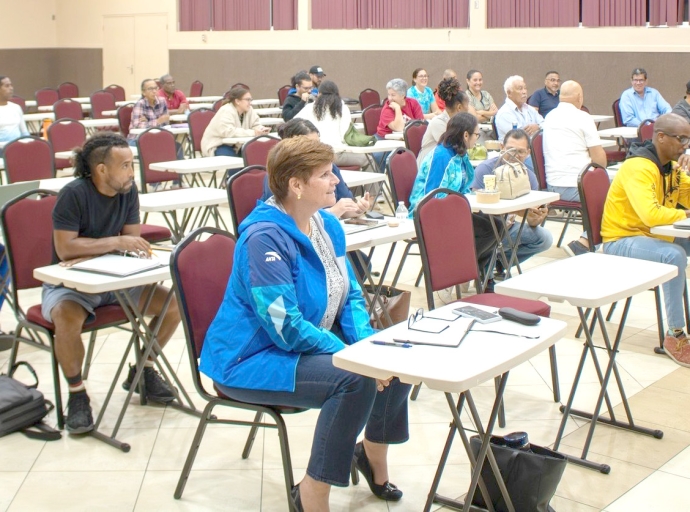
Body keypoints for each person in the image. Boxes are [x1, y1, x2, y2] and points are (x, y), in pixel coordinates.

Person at [201, 136, 411, 510]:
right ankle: (312, 492)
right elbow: (285, 327)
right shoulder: (263, 237)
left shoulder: (326, 225)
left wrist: (365, 344)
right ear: (296, 185)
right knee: (356, 377)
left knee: (392, 356)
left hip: (297, 347)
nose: (337, 181)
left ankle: (371, 455)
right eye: (326, 175)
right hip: (250, 358)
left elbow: (351, 295)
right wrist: (353, 356)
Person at [43, 133, 181, 433]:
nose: (132, 173)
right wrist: (114, 242)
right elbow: (66, 249)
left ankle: (143, 370)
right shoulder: (73, 194)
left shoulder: (128, 192)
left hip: (115, 277)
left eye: (133, 165)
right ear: (101, 170)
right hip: (73, 282)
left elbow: (132, 242)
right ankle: (77, 393)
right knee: (66, 321)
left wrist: (96, 246)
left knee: (173, 306)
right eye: (126, 166)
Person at [601, 113, 690, 367]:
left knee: (675, 251)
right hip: (621, 240)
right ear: (661, 137)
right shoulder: (639, 167)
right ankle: (675, 335)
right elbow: (651, 216)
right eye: (681, 138)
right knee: (674, 255)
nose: (685, 145)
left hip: (651, 236)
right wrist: (684, 214)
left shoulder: (670, 167)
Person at [408, 113, 499, 279]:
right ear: (465, 135)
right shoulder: (442, 156)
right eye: (476, 135)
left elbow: (461, 187)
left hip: (451, 210)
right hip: (430, 215)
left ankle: (474, 271)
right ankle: (457, 267)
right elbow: (431, 196)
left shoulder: (459, 154)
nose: (476, 139)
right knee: (489, 231)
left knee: (496, 226)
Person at [472, 129, 552, 271]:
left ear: (528, 152)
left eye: (520, 152)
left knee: (544, 238)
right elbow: (479, 210)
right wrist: (520, 210)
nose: (514, 156)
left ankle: (501, 263)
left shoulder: (528, 175)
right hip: (487, 230)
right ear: (502, 148)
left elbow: (531, 220)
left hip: (510, 227)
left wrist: (536, 216)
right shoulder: (485, 169)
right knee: (494, 233)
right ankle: (483, 270)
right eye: (510, 150)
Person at [543, 80, 607, 256]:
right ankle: (584, 242)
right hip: (577, 186)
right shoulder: (583, 117)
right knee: (616, 196)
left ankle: (589, 240)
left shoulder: (549, 117)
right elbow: (599, 160)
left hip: (552, 186)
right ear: (580, 97)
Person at [261, 119, 370, 219]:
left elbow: (346, 208)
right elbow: (286, 220)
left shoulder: (330, 167)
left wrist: (358, 209)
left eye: (318, 142)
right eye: (311, 145)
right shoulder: (279, 175)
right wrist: (332, 212)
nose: (318, 148)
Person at [295, 80, 370, 170]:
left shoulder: (309, 108)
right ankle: (365, 184)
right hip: (335, 154)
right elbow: (345, 135)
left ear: (319, 94)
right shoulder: (342, 108)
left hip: (313, 155)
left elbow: (294, 124)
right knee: (369, 160)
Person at [200, 85, 270, 159]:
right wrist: (253, 133)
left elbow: (255, 124)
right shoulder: (226, 110)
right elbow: (228, 132)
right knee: (235, 163)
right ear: (237, 101)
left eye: (251, 100)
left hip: (237, 144)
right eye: (248, 100)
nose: (250, 103)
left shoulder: (249, 109)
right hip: (218, 144)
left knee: (255, 157)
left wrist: (261, 129)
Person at [417, 77, 470, 165]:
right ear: (459, 107)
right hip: (429, 168)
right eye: (467, 105)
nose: (468, 109)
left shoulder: (456, 123)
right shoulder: (438, 123)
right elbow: (451, 149)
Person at [494, 75, 543, 140]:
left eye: (525, 88)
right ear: (509, 93)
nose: (524, 92)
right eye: (520, 89)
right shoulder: (505, 113)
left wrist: (538, 127)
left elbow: (545, 124)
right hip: (514, 149)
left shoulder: (530, 109)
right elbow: (519, 137)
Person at [0, 76, 29, 148]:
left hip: (17, 148)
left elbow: (24, 132)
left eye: (11, 85)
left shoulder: (16, 107)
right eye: (7, 86)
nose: (11, 88)